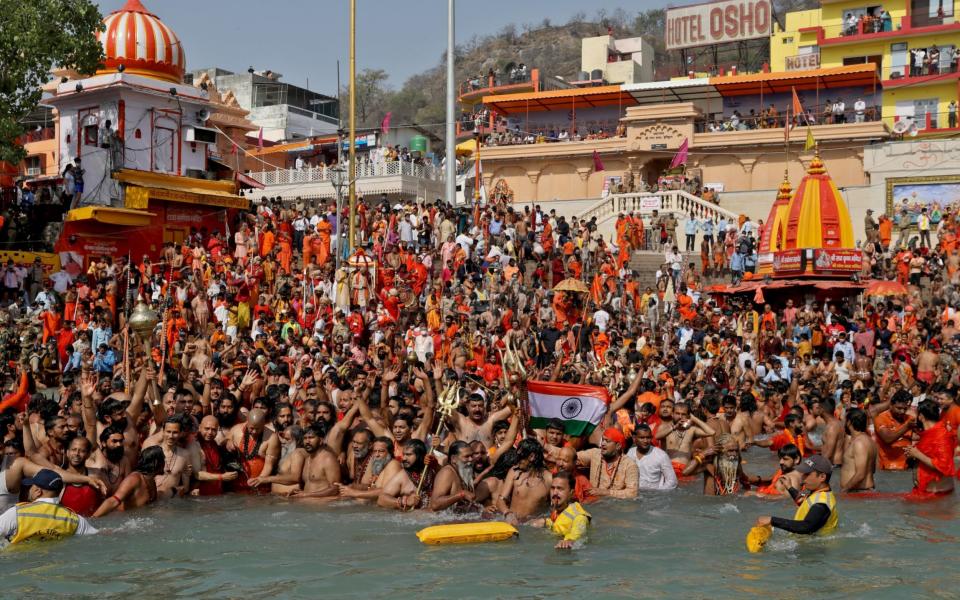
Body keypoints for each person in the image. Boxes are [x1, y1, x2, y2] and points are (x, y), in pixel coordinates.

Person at [0, 469, 98, 544]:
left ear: (38, 491)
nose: (29, 490)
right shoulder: (75, 520)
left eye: (31, 486)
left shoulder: (17, 513)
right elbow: (97, 535)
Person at [754, 454, 838, 536]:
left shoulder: (821, 504)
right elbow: (805, 502)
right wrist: (789, 487)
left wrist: (772, 520)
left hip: (815, 549)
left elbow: (806, 527)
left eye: (807, 474)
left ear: (822, 477)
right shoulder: (820, 493)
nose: (802, 478)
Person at [527, 470, 590, 549]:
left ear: (571, 493)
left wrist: (568, 541)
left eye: (560, 489)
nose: (555, 493)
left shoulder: (579, 517)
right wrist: (546, 522)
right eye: (552, 488)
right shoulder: (558, 509)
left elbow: (578, 536)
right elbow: (558, 523)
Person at [906, 400, 955, 497]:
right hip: (925, 493)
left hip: (938, 495)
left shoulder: (942, 435)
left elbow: (944, 466)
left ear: (921, 417)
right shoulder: (929, 434)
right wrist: (912, 456)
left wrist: (917, 454)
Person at [576, 428, 639, 499]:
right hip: (593, 503)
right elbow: (572, 457)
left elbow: (632, 493)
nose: (602, 443)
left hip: (616, 506)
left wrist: (604, 492)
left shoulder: (630, 465)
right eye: (603, 440)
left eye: (607, 441)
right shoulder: (595, 454)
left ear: (618, 446)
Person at [627, 424, 677, 490]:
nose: (645, 441)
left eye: (648, 438)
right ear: (634, 438)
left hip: (655, 496)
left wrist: (658, 494)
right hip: (635, 495)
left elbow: (672, 481)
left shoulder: (661, 455)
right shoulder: (630, 453)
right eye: (642, 438)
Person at [840, 408, 877, 492]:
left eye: (845, 420)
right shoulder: (869, 441)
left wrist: (844, 490)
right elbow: (873, 469)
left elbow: (860, 474)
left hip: (859, 493)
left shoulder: (859, 443)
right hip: (861, 492)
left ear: (849, 422)